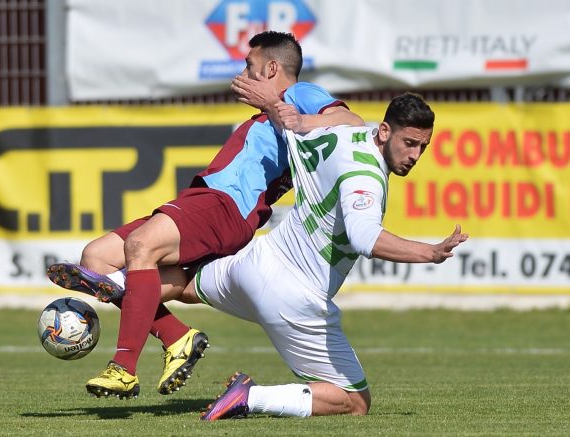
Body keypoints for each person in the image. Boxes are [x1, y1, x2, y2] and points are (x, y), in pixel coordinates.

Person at [47, 30, 364, 399]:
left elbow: (352, 122)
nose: (243, 74)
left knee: (140, 247)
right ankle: (176, 336)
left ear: (272, 68)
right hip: (206, 200)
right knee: (97, 259)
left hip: (226, 205)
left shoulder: (299, 94)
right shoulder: (274, 112)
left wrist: (284, 111)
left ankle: (124, 368)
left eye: (249, 65)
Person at [168, 93, 468, 419]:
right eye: (409, 143)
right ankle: (250, 397)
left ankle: (127, 277)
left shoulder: (343, 136)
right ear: (384, 131)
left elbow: (293, 129)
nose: (415, 155)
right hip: (294, 297)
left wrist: (269, 101)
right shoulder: (366, 177)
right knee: (354, 401)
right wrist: (430, 252)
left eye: (423, 147)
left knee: (182, 285)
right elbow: (365, 237)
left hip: (256, 262)